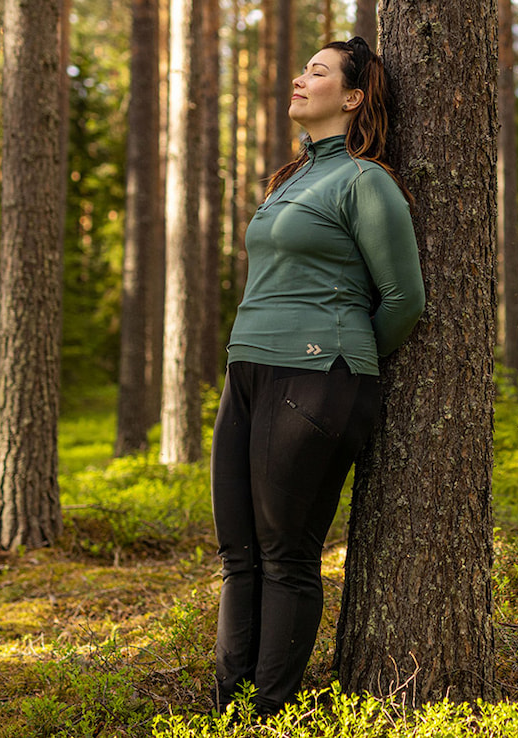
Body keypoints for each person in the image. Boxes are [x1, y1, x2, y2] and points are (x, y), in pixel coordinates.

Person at [208, 37, 423, 716]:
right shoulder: (292, 178)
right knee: (238, 554)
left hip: (316, 375)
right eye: (303, 68)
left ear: (353, 97)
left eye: (318, 72)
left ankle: (267, 714)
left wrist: (340, 357)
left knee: (284, 555)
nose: (300, 79)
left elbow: (404, 301)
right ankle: (228, 714)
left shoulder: (366, 181)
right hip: (247, 372)